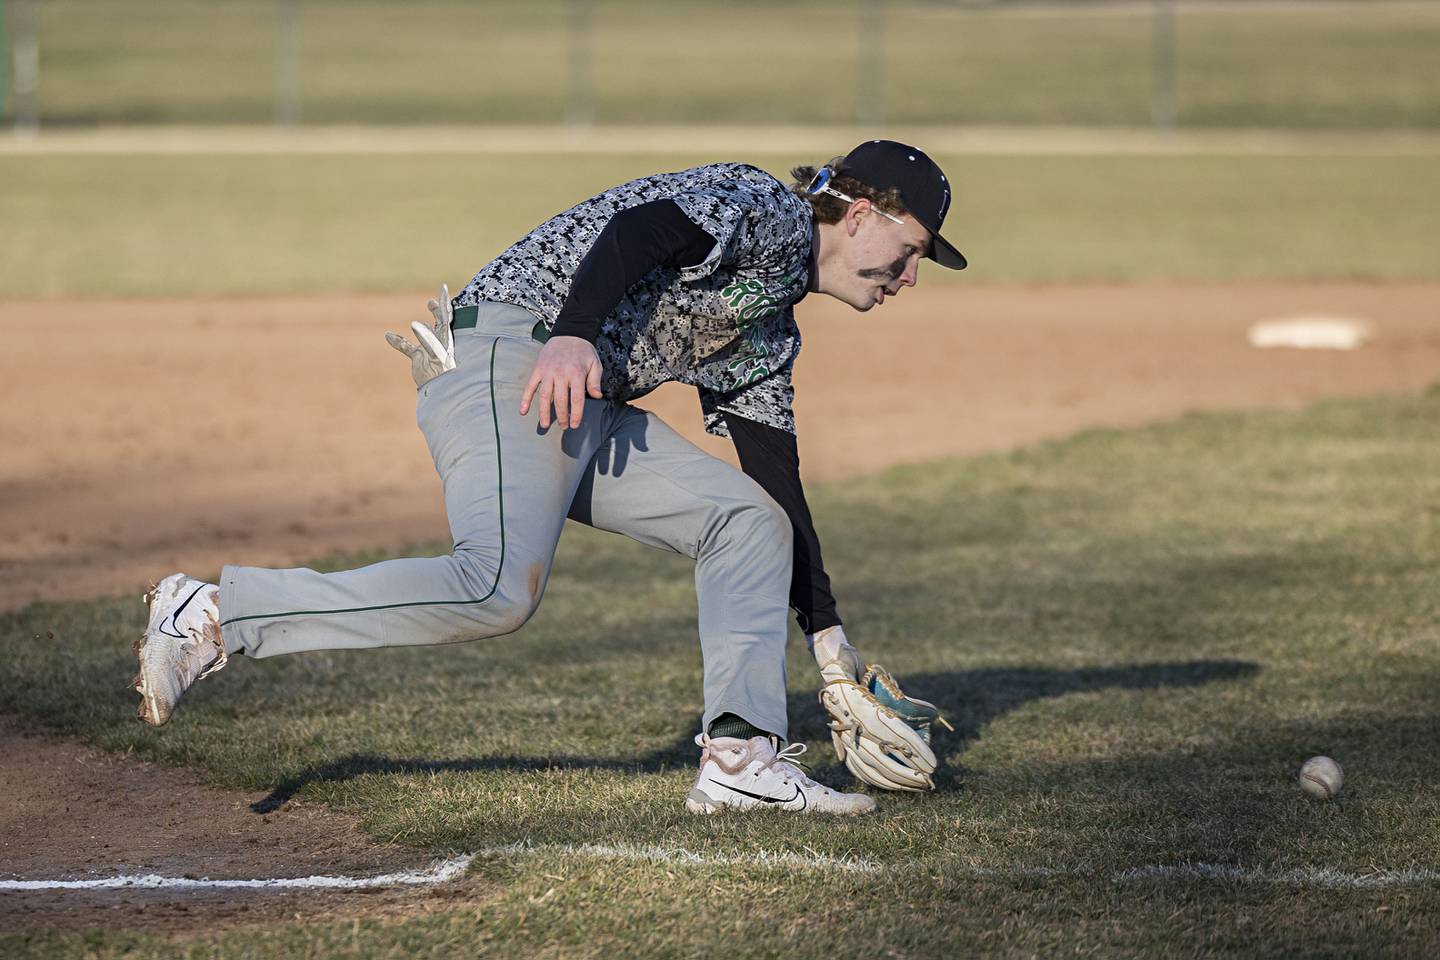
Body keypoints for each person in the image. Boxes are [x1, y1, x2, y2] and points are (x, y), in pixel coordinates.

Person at [133, 139, 967, 815]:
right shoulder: (764, 208)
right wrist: (573, 333)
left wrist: (827, 640)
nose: (909, 277)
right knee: (496, 585)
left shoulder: (771, 334)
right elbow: (642, 230)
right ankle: (211, 612)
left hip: (582, 395)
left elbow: (777, 477)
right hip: (518, 350)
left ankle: (742, 758)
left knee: (750, 521)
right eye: (909, 252)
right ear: (860, 216)